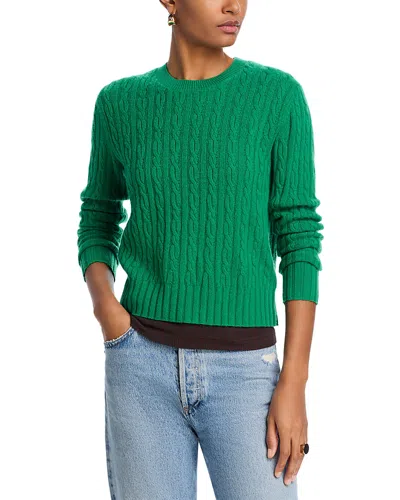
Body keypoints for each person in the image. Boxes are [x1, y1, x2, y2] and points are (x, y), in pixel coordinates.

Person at [77, 0, 323, 498]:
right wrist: (106, 309)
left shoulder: (277, 97)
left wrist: (294, 380)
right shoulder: (120, 103)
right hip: (140, 366)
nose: (235, 6)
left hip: (246, 373)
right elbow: (98, 216)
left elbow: (299, 235)